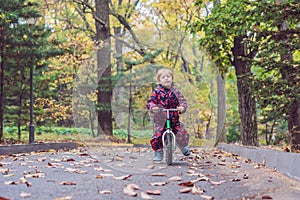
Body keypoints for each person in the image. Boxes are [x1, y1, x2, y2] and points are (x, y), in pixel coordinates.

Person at [146, 68, 190, 162]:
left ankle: (183, 146)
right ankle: (158, 152)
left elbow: (182, 101)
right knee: (157, 136)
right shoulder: (157, 92)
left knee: (181, 132)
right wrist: (153, 107)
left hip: (174, 118)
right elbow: (150, 102)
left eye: (168, 77)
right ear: (159, 81)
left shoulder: (176, 91)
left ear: (172, 79)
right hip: (160, 120)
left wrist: (182, 107)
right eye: (163, 77)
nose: (166, 79)